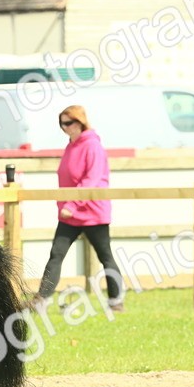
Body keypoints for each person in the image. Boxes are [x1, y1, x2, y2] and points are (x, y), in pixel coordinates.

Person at [33, 106, 125, 313]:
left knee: (105, 256)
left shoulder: (92, 146)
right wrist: (66, 205)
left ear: (81, 122)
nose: (65, 128)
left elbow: (91, 179)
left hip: (92, 211)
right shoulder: (71, 146)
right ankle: (42, 299)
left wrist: (72, 205)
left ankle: (116, 301)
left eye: (69, 123)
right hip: (69, 213)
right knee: (56, 254)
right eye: (62, 124)